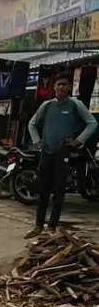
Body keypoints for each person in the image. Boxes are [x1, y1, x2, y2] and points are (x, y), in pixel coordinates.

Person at [26, 72, 97, 237]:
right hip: (46, 151)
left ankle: (52, 226)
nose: (61, 87)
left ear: (69, 87)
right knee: (43, 189)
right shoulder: (47, 105)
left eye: (64, 84)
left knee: (59, 190)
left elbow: (92, 123)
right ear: (54, 87)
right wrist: (37, 141)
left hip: (63, 152)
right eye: (58, 84)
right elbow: (32, 123)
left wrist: (78, 141)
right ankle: (38, 226)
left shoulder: (75, 104)